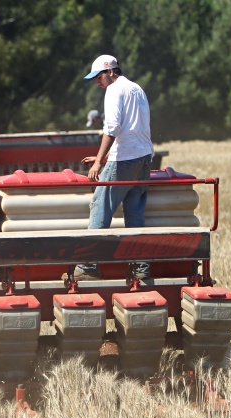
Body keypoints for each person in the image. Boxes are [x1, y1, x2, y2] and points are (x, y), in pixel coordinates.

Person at [75, 54, 154, 281]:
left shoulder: (113, 91)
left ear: (110, 71)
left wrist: (100, 161)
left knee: (100, 204)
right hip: (144, 159)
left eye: (98, 77)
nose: (97, 82)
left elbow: (113, 127)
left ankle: (89, 266)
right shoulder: (137, 89)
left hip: (125, 160)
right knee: (135, 213)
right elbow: (133, 130)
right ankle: (141, 269)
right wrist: (107, 155)